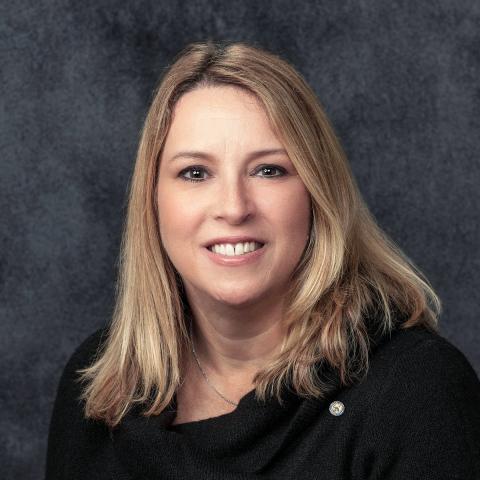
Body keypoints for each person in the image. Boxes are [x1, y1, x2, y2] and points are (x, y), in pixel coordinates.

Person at [45, 40, 480, 480]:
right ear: (153, 201)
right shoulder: (101, 385)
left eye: (269, 170)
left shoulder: (417, 390)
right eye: (195, 173)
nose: (234, 208)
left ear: (317, 193)